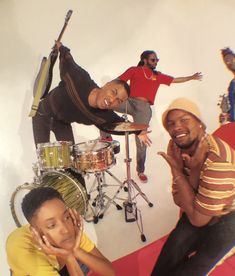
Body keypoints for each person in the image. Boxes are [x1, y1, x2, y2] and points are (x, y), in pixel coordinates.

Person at [151, 98, 235, 276]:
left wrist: (178, 172)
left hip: (230, 215)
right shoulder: (181, 150)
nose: (176, 127)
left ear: (200, 124)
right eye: (171, 124)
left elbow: (197, 219)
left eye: (184, 120)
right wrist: (189, 171)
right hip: (200, 205)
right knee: (168, 257)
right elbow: (178, 199)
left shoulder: (217, 162)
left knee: (193, 270)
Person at [101, 50, 202, 183]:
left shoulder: (157, 75)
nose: (156, 62)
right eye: (153, 60)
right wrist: (103, 89)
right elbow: (119, 80)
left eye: (156, 60)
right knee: (104, 104)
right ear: (144, 60)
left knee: (141, 141)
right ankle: (105, 135)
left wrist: (191, 77)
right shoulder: (134, 70)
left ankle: (140, 170)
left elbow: (175, 79)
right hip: (129, 102)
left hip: (143, 108)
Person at [32, 41, 131, 147]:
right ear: (107, 84)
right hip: (43, 114)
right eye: (113, 92)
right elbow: (68, 59)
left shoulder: (104, 116)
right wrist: (61, 47)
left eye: (119, 101)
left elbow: (122, 126)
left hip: (61, 122)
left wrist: (139, 131)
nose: (112, 100)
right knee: (44, 159)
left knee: (70, 160)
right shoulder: (79, 78)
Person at [6, 187, 115, 276]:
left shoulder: (70, 229)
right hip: (32, 272)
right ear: (36, 231)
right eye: (52, 225)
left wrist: (77, 251)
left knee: (81, 258)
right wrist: (69, 257)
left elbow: (110, 272)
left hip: (61, 262)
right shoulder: (28, 253)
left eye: (66, 217)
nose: (65, 230)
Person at [220, 47, 235, 123]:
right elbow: (231, 112)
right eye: (226, 61)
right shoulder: (232, 86)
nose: (229, 62)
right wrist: (225, 116)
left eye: (231, 59)